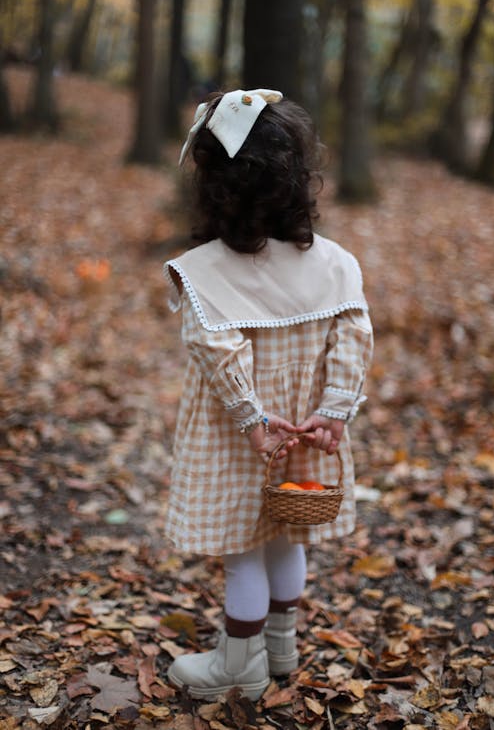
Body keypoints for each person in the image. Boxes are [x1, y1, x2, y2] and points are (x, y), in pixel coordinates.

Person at [163, 89, 373, 700]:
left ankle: (239, 664)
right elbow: (354, 338)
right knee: (287, 531)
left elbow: (217, 350)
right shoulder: (334, 264)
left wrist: (252, 416)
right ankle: (281, 645)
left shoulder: (207, 270)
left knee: (244, 550)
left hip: (243, 436)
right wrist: (334, 410)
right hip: (307, 429)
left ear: (214, 185)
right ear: (298, 180)